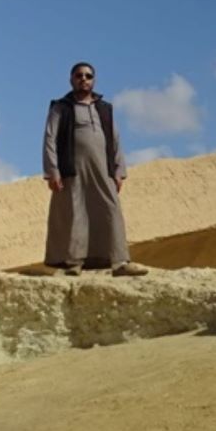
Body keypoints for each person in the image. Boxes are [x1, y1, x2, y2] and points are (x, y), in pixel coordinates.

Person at [42, 61, 147, 275]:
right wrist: (53, 170)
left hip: (102, 168)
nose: (83, 79)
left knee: (111, 208)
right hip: (72, 168)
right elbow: (50, 139)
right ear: (71, 79)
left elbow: (115, 139)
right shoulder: (61, 107)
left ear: (94, 80)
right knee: (75, 211)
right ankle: (74, 263)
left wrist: (119, 171)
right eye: (79, 75)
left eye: (88, 76)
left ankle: (119, 262)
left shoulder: (104, 109)